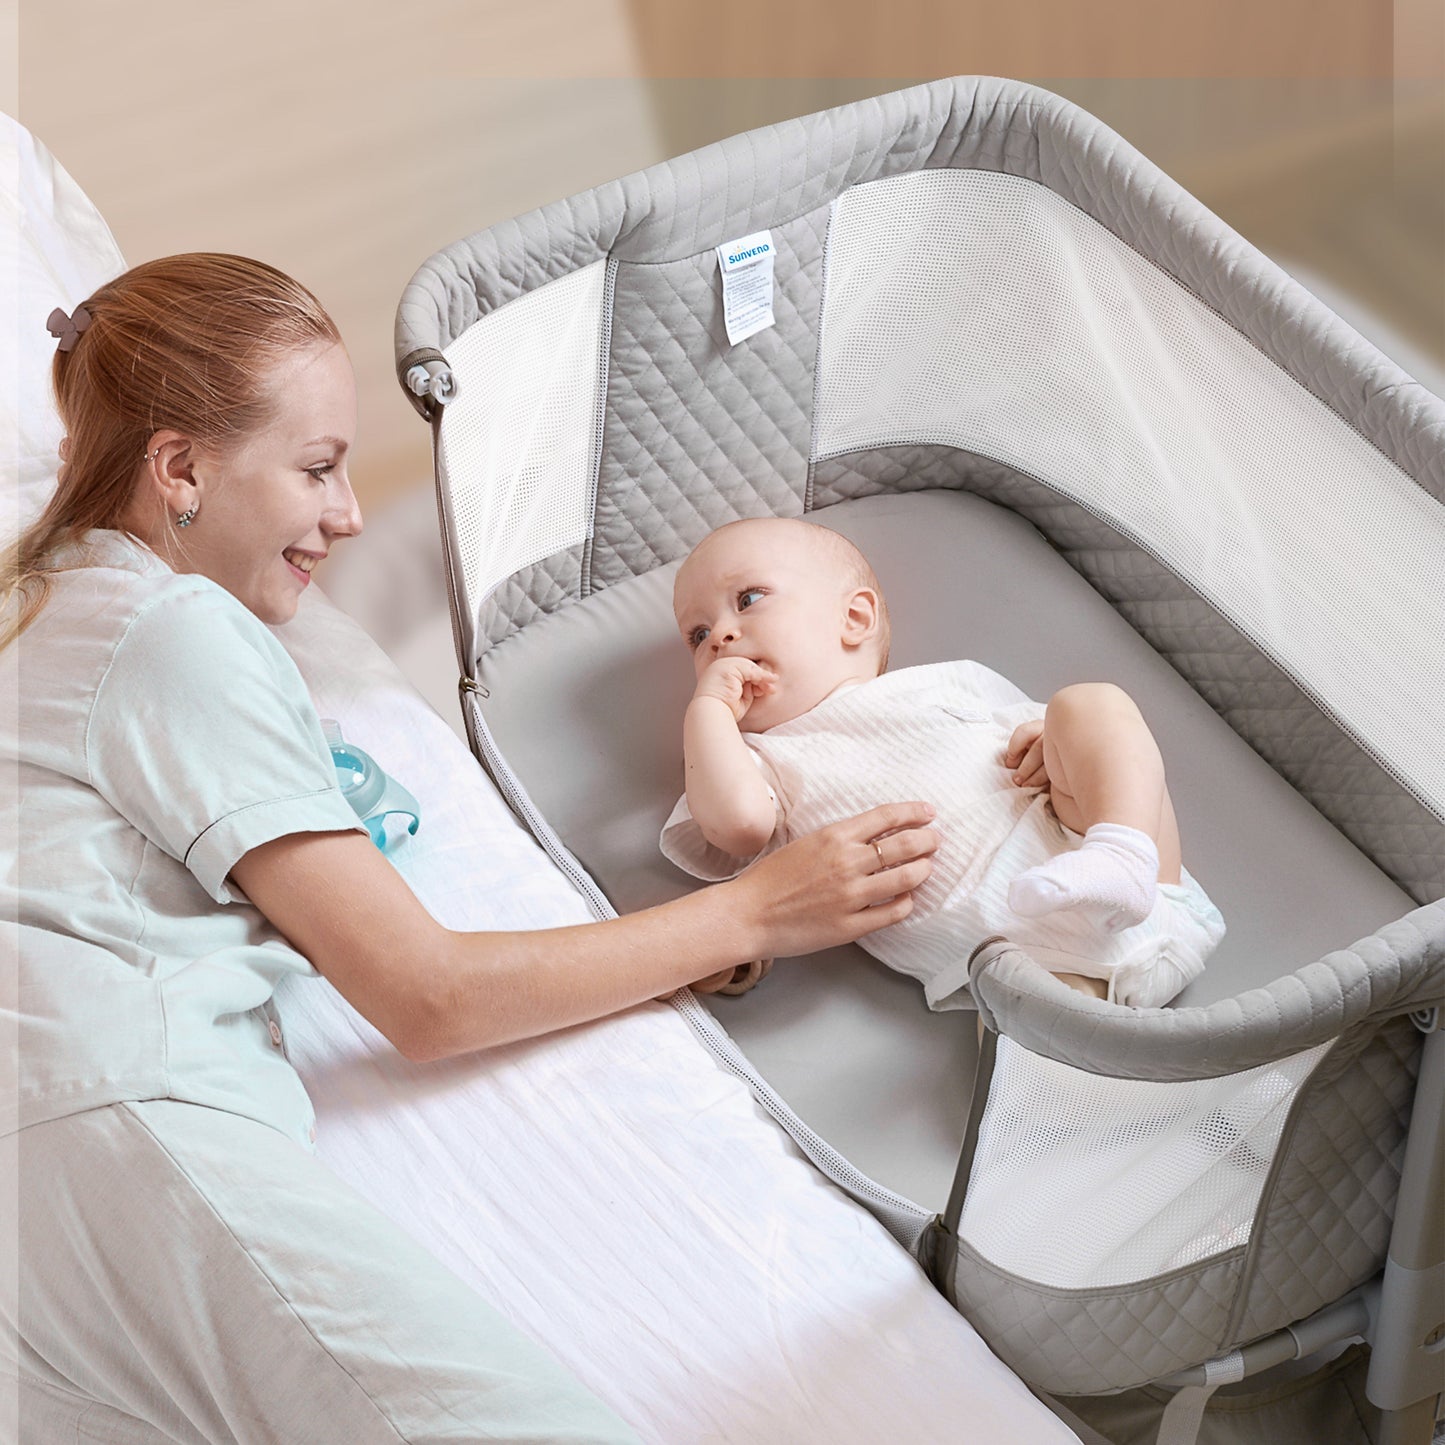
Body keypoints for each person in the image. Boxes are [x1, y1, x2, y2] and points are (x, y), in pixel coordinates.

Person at [0, 255, 940, 1443]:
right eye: (319, 467)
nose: (347, 514)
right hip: (126, 1134)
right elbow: (426, 994)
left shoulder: (43, 618)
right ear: (180, 467)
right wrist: (756, 910)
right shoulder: (170, 629)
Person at [662, 516, 1226, 1008]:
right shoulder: (762, 760)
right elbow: (738, 826)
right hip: (1032, 967)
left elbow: (1059, 746)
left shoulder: (947, 681)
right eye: (699, 634)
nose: (722, 637)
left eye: (748, 600)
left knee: (1088, 705)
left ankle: (1118, 855)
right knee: (1021, 1067)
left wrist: (1051, 747)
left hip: (1128, 875)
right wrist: (707, 712)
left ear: (854, 619)